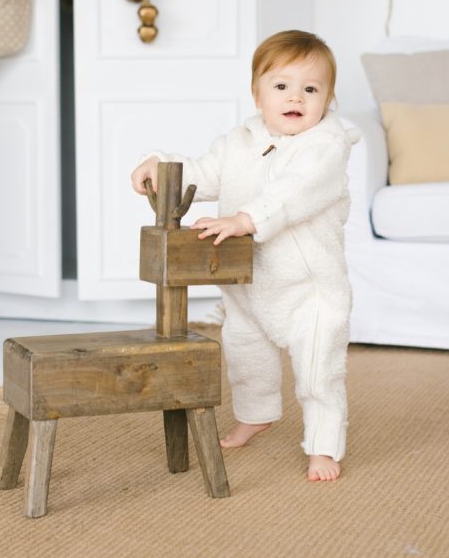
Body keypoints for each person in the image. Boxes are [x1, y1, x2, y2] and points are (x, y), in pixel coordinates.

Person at [130, 30, 360, 481]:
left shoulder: (327, 146)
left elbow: (293, 192)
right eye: (281, 86)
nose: (296, 97)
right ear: (257, 93)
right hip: (250, 281)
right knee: (244, 351)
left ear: (328, 99)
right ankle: (256, 413)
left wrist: (244, 219)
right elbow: (202, 173)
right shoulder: (239, 140)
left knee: (318, 370)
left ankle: (324, 447)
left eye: (311, 89)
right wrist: (161, 165)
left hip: (310, 290)